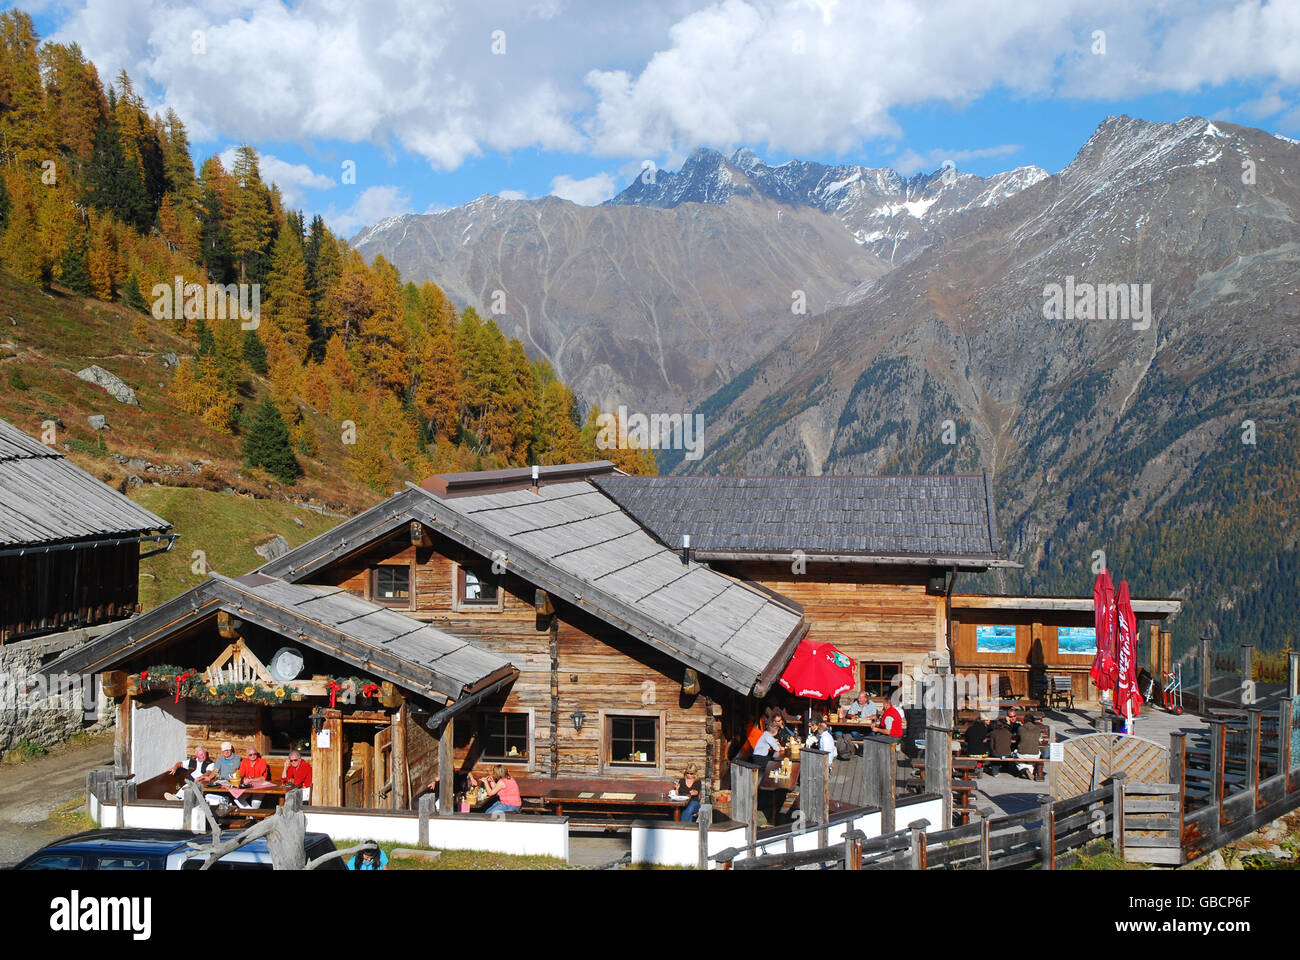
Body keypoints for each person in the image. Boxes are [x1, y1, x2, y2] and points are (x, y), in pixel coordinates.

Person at [1016, 713, 1047, 779]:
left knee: (1017, 759)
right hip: (1034, 754)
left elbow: (1017, 739)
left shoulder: (1020, 728)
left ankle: (1024, 770)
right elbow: (1040, 740)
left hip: (1022, 754)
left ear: (1024, 721)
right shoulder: (1037, 729)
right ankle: (1033, 771)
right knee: (1037, 757)